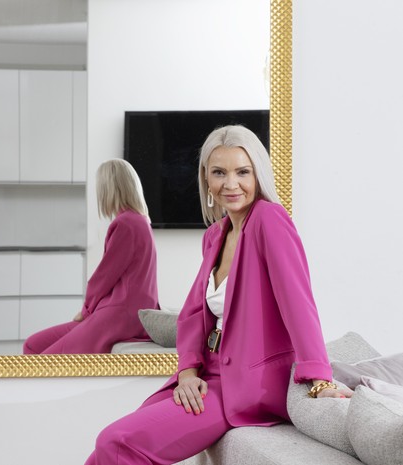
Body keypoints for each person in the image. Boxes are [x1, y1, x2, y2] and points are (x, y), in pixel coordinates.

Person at [84, 125, 351, 465]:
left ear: (258, 175)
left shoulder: (269, 219)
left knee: (116, 442)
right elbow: (194, 314)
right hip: (207, 373)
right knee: (99, 455)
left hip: (245, 384)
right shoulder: (214, 236)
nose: (231, 183)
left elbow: (298, 302)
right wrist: (187, 372)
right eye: (219, 173)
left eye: (243, 172)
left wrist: (319, 378)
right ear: (206, 180)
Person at [23, 159, 159, 354]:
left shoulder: (125, 224)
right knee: (32, 344)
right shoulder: (141, 221)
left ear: (108, 189)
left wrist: (86, 310)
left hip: (119, 316)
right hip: (127, 313)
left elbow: (104, 277)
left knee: (43, 359)